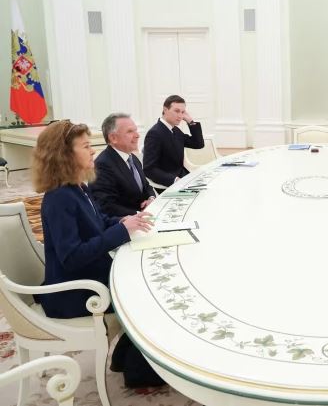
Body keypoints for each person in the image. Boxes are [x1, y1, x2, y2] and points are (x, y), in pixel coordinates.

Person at [31, 120, 152, 319]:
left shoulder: (77, 187)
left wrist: (122, 221)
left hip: (89, 276)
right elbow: (72, 258)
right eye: (86, 146)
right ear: (64, 155)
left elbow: (98, 221)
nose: (93, 151)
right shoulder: (59, 197)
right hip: (74, 293)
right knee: (144, 292)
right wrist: (121, 231)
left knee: (144, 278)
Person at [90, 113, 157, 217]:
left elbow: (146, 186)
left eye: (135, 130)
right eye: (130, 131)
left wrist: (151, 198)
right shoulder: (102, 165)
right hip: (126, 221)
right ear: (113, 138)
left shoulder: (133, 158)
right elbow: (106, 205)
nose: (137, 135)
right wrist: (139, 214)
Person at [143, 95, 204, 187]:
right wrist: (175, 180)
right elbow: (149, 169)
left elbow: (198, 144)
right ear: (165, 110)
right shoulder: (154, 133)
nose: (180, 116)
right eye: (176, 111)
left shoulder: (175, 130)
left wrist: (190, 121)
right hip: (169, 184)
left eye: (182, 112)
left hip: (183, 177)